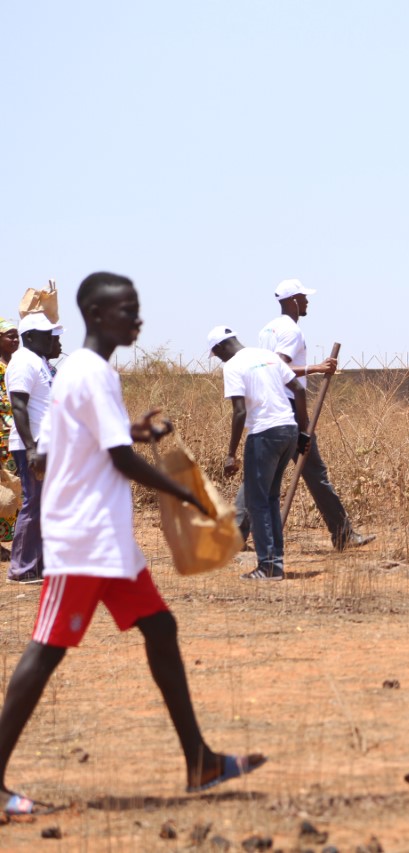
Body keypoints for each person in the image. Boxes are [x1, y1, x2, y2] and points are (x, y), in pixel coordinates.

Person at [0, 273, 265, 817]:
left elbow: (58, 449)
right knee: (46, 650)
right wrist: (188, 496)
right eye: (127, 310)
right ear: (95, 316)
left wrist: (129, 430)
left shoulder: (77, 371)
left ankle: (201, 762)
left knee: (161, 629)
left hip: (109, 541)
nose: (137, 319)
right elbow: (112, 459)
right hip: (83, 539)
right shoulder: (90, 372)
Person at [236, 279, 374, 551]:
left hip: (270, 405)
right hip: (287, 408)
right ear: (292, 301)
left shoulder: (267, 329)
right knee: (266, 474)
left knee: (309, 471)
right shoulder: (291, 331)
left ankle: (342, 533)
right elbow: (278, 368)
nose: (307, 302)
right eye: (303, 297)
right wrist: (318, 368)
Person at [210, 327, 311, 581]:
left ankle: (268, 566)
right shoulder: (268, 356)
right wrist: (304, 433)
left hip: (264, 434)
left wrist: (231, 454)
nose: (219, 358)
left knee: (257, 503)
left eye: (216, 354)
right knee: (270, 500)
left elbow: (240, 412)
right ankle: (275, 563)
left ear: (221, 348)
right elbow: (299, 390)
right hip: (288, 430)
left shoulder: (232, 366)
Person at [7, 314, 62, 583]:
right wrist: (30, 448)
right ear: (28, 337)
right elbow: (19, 406)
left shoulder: (39, 361)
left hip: (46, 443)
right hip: (33, 444)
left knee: (45, 505)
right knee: (34, 503)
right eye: (45, 334)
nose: (51, 339)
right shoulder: (22, 362)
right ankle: (21, 569)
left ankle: (38, 565)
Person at [0, 319, 21, 552]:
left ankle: (17, 541)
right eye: (9, 335)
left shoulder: (18, 364)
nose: (15, 340)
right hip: (2, 435)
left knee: (16, 488)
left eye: (17, 336)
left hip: (17, 433)